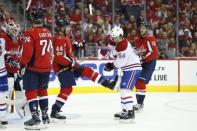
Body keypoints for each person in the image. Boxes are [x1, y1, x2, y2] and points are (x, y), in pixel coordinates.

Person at [51, 23, 118, 121]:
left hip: (69, 66)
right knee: (67, 89)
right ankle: (54, 111)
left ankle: (108, 84)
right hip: (63, 68)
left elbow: (68, 51)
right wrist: (72, 63)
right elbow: (60, 57)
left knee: (88, 71)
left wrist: (77, 46)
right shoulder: (59, 39)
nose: (69, 28)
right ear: (61, 28)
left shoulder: (65, 37)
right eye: (67, 27)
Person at [20, 11, 53, 130]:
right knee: (42, 90)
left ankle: (35, 119)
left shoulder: (30, 32)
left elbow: (28, 53)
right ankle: (45, 117)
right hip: (46, 67)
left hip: (34, 67)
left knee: (31, 91)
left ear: (32, 19)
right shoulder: (48, 32)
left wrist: (22, 63)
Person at [104, 26, 142, 121]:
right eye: (113, 37)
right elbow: (116, 54)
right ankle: (125, 110)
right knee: (123, 89)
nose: (114, 39)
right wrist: (109, 54)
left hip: (132, 68)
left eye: (115, 37)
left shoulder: (123, 45)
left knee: (125, 90)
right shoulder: (120, 43)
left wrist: (111, 66)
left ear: (120, 36)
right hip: (129, 68)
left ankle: (130, 113)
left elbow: (121, 62)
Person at [0, 21, 29, 118]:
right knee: (6, 92)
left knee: (21, 91)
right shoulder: (3, 38)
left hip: (16, 70)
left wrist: (22, 65)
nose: (14, 32)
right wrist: (7, 59)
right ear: (8, 29)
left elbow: (22, 53)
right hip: (5, 71)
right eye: (12, 30)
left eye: (16, 30)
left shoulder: (20, 40)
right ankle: (3, 114)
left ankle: (22, 110)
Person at [134, 19, 159, 112]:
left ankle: (140, 104)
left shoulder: (150, 39)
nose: (141, 29)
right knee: (137, 82)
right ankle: (139, 103)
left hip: (149, 63)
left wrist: (143, 59)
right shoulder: (137, 40)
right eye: (140, 27)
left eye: (144, 28)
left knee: (140, 82)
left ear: (147, 29)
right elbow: (138, 52)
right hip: (142, 63)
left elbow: (155, 53)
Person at [0, 37, 8, 128]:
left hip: (2, 73)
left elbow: (4, 53)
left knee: (2, 96)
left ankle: (2, 117)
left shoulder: (2, 40)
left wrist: (9, 59)